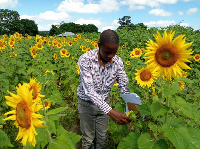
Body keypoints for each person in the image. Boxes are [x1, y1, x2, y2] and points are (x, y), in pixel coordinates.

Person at [77, 29, 132, 149]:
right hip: (86, 104)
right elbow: (89, 91)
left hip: (104, 103)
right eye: (107, 52)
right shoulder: (86, 59)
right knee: (88, 140)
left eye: (114, 52)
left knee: (103, 138)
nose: (111, 56)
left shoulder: (118, 62)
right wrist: (111, 112)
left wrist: (132, 104)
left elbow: (123, 84)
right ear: (99, 45)